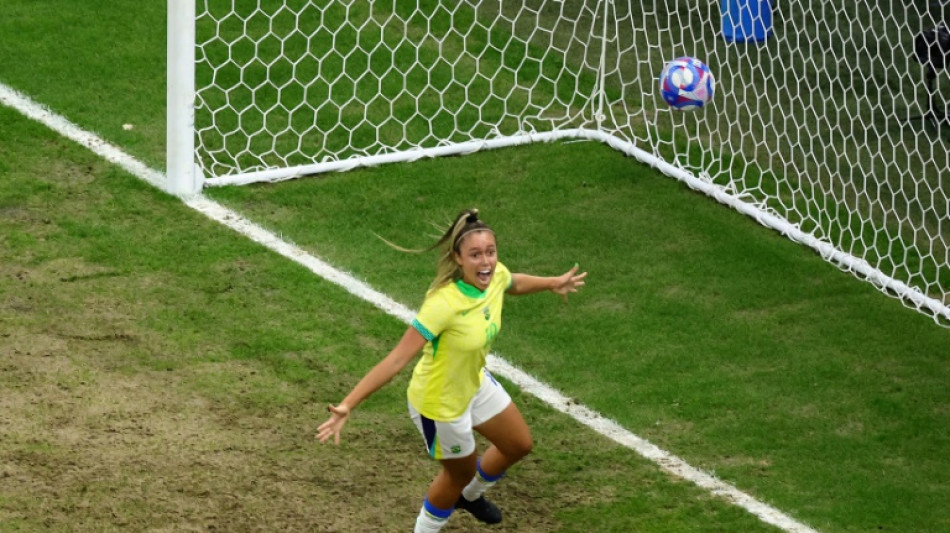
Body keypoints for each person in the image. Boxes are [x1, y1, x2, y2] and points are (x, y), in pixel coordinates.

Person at [317, 208, 587, 532]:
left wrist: (552, 282)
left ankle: (470, 497)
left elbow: (512, 282)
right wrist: (348, 404)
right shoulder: (443, 304)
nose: (485, 262)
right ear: (458, 258)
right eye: (475, 255)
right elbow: (396, 359)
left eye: (490, 252)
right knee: (458, 473)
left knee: (518, 444)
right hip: (440, 403)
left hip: (473, 383)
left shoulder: (494, 274)